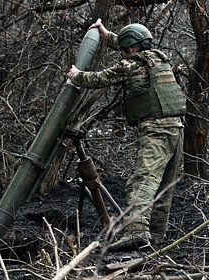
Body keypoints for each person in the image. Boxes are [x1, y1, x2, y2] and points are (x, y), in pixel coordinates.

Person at [67, 21, 186, 250]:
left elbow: (98, 79)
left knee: (142, 182)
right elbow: (128, 46)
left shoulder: (130, 66)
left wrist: (76, 75)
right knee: (164, 186)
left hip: (156, 132)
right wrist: (107, 35)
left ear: (130, 49)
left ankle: (137, 233)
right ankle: (156, 237)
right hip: (177, 129)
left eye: (124, 49)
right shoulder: (160, 60)